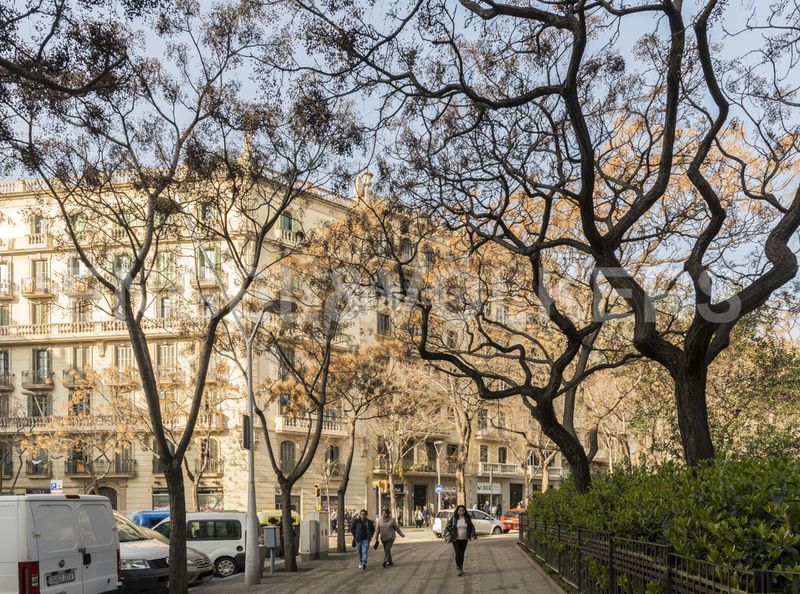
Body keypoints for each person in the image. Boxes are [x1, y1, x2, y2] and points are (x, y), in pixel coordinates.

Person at [444, 505, 477, 576]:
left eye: (463, 510)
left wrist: (473, 534)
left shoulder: (467, 518)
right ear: (457, 511)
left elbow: (472, 527)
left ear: (465, 511)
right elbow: (447, 526)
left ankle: (461, 568)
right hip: (455, 539)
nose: (461, 512)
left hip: (464, 539)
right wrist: (452, 531)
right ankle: (458, 568)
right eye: (460, 510)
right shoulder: (454, 518)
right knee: (458, 553)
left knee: (462, 554)